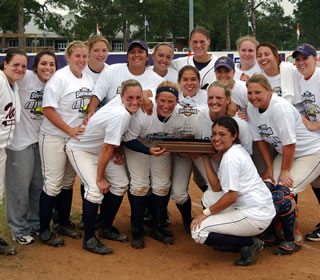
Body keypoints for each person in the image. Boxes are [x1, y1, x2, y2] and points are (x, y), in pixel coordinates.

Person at [66, 79, 143, 254]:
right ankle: (89, 239)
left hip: (100, 150)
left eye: (138, 98)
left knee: (121, 182)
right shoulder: (121, 114)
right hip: (81, 150)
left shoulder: (120, 101)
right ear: (121, 96)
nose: (135, 102)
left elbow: (108, 144)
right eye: (130, 97)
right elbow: (108, 148)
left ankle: (106, 227)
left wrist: (144, 97)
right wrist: (100, 179)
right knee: (94, 190)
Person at [247, 74, 320, 253]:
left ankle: (292, 238)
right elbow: (261, 140)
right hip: (286, 153)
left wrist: (285, 171)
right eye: (250, 92)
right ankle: (272, 232)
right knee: (266, 187)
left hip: (310, 153)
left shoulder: (280, 108)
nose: (253, 96)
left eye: (258, 92)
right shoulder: (252, 107)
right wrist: (270, 169)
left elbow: (290, 143)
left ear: (268, 91)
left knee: (283, 191)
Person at [191, 116, 275, 266]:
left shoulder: (231, 158)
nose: (216, 138)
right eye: (214, 134)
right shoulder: (235, 150)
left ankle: (249, 243)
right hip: (257, 207)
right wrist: (205, 159)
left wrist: (205, 214)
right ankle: (232, 238)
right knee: (209, 196)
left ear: (234, 135)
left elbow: (231, 197)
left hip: (254, 216)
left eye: (222, 134)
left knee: (198, 231)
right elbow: (216, 187)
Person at [39, 41, 94, 246]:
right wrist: (69, 129)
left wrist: (88, 116)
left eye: (84, 56)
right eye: (77, 56)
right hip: (54, 135)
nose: (81, 60)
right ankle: (44, 230)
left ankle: (62, 222)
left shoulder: (87, 78)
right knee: (52, 183)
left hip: (74, 137)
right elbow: (48, 109)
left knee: (68, 182)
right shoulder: (59, 78)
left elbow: (88, 106)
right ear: (68, 57)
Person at [123, 81, 187, 249]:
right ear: (156, 99)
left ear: (177, 101)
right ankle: (137, 230)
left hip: (160, 145)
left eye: (171, 101)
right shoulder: (144, 113)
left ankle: (157, 227)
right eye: (162, 100)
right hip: (137, 145)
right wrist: (148, 151)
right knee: (139, 186)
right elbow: (128, 139)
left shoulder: (179, 115)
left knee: (162, 186)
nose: (166, 105)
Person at [5, 50, 57, 245]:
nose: (47, 68)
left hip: (42, 142)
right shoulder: (26, 77)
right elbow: (11, 73)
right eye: (43, 63)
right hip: (20, 142)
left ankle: (35, 223)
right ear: (35, 66)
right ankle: (18, 228)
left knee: (39, 186)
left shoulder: (55, 82)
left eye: (51, 64)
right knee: (19, 188)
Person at [86, 39, 163, 118]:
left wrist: (145, 93)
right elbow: (97, 94)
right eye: (132, 52)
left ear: (147, 57)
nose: (136, 55)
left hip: (142, 124)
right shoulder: (112, 70)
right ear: (127, 57)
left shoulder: (157, 80)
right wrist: (90, 113)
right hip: (113, 118)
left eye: (140, 52)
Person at [0, 49, 28, 255]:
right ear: (5, 64)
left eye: (24, 66)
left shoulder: (13, 85)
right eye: (15, 64)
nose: (20, 69)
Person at [292, 44, 320, 241]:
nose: (301, 63)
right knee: (317, 181)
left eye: (305, 58)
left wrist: (315, 125)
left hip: (317, 132)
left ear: (315, 59)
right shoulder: (302, 81)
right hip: (316, 138)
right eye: (298, 59)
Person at [256, 42, 302, 106]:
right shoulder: (257, 79)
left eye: (267, 54)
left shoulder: (293, 71)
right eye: (259, 56)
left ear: (276, 57)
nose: (263, 58)